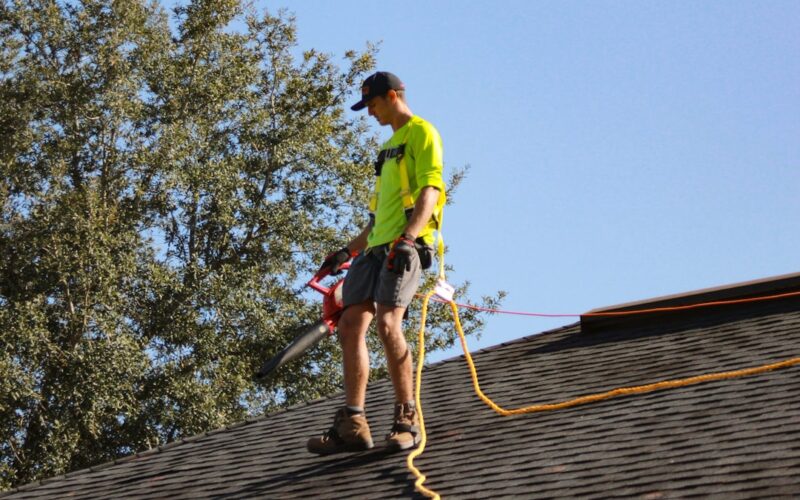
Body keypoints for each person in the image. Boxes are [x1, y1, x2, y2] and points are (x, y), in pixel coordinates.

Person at [307, 71, 445, 454]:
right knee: (350, 325)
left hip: (404, 247)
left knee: (387, 324)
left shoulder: (422, 133)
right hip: (375, 249)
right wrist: (345, 253)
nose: (369, 113)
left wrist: (409, 239)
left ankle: (407, 420)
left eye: (372, 104)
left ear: (393, 96)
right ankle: (353, 423)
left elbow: (430, 191)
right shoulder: (387, 149)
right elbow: (375, 221)